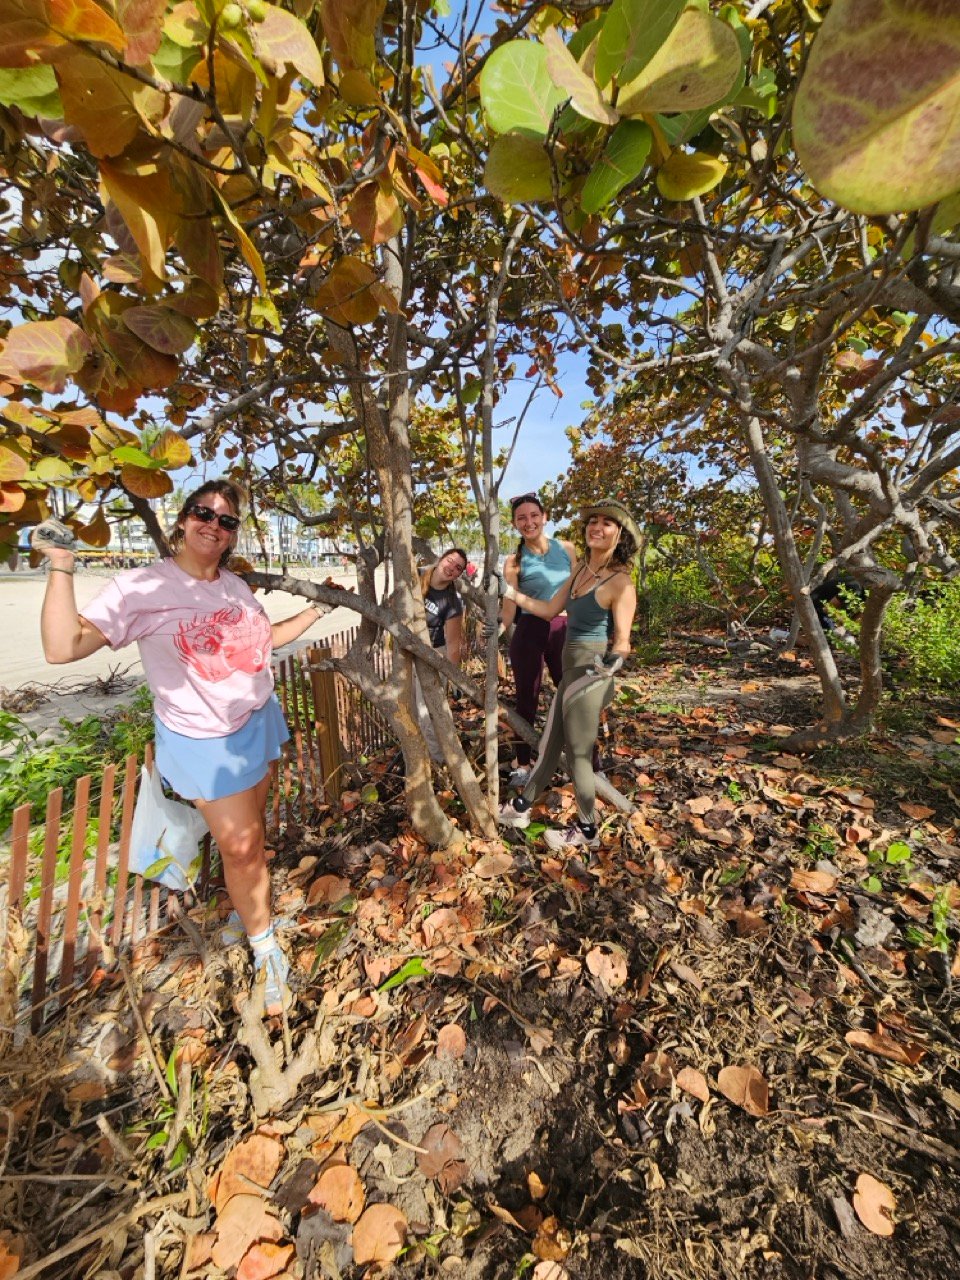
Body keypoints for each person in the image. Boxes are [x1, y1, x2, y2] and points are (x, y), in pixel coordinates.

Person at [35, 480, 325, 1016]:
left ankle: (246, 912)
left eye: (226, 521)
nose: (214, 526)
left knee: (251, 837)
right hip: (201, 739)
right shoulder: (141, 586)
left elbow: (261, 647)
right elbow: (61, 648)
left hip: (256, 719)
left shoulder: (236, 588)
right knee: (240, 847)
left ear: (234, 535)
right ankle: (267, 950)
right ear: (183, 519)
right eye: (203, 513)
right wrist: (61, 564)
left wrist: (313, 615)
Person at [494, 498, 639, 853]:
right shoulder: (580, 571)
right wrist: (509, 592)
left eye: (607, 523)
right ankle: (520, 810)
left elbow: (622, 642)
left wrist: (612, 664)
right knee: (549, 746)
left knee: (577, 754)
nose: (597, 527)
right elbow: (547, 608)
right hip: (572, 669)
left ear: (619, 534)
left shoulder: (621, 583)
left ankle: (588, 832)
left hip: (592, 672)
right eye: (593, 521)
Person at [496, 493, 576, 787]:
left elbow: (579, 590)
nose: (528, 522)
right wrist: (500, 629)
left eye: (533, 515)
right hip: (530, 630)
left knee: (574, 696)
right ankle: (522, 764)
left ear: (544, 517)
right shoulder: (513, 561)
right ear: (515, 524)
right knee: (525, 700)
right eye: (521, 518)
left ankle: (587, 764)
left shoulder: (566, 549)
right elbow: (510, 606)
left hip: (565, 629)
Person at [416, 547, 467, 761]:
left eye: (457, 568)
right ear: (440, 559)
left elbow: (453, 646)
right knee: (406, 709)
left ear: (458, 575)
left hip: (431, 655)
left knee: (426, 715)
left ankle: (440, 762)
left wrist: (454, 680)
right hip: (404, 651)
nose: (451, 568)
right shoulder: (415, 575)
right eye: (449, 561)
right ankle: (417, 756)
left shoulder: (452, 603)